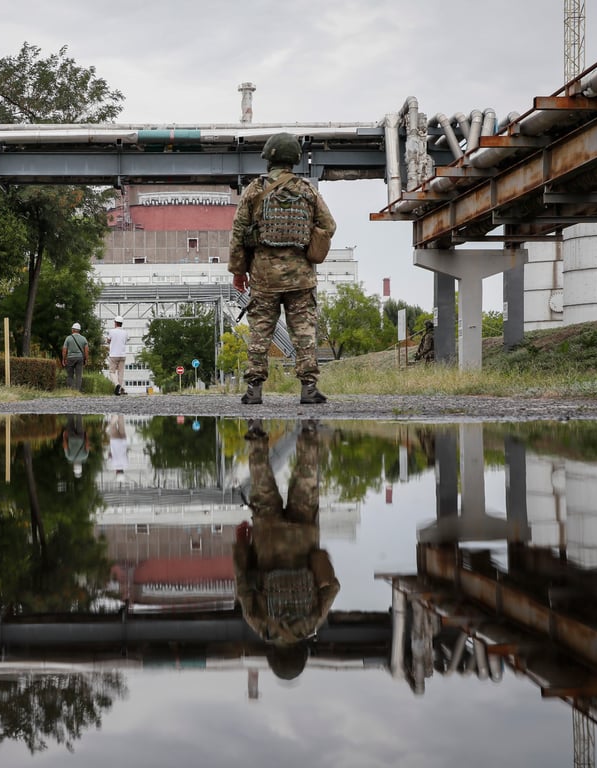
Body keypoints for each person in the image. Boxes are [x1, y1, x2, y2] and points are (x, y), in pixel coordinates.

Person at [229, 132, 337, 405]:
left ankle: (254, 390)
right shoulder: (307, 189)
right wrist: (309, 247)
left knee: (260, 332)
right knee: (303, 331)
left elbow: (238, 232)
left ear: (268, 158)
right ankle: (309, 388)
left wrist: (238, 271)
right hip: (301, 276)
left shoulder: (254, 190)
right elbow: (329, 225)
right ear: (295, 160)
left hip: (264, 276)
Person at [233, 418, 340, 680]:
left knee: (307, 481)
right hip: (268, 536)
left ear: (302, 652)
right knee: (262, 484)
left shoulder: (312, 622)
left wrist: (317, 562)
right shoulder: (261, 626)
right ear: (273, 656)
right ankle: (256, 432)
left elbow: (332, 587)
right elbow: (243, 583)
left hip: (304, 536)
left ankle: (309, 431)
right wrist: (242, 545)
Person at [61, 322, 90, 391]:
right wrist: (86, 359)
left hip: (70, 358)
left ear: (73, 330)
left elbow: (64, 350)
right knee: (79, 375)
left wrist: (64, 359)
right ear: (79, 330)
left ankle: (71, 390)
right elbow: (86, 350)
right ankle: (77, 390)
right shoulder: (83, 339)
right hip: (80, 358)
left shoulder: (68, 338)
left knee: (70, 375)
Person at [106, 316, 128, 396]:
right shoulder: (125, 332)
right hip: (122, 355)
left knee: (112, 371)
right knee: (121, 372)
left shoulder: (111, 331)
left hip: (114, 354)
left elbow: (108, 341)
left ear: (115, 323)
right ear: (121, 324)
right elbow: (126, 341)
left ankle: (117, 384)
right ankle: (121, 389)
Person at [63, 415, 89, 479]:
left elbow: (87, 445)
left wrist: (86, 436)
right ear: (74, 467)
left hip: (81, 438)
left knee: (79, 422)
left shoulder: (85, 456)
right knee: (70, 422)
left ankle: (79, 409)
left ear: (81, 466)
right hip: (71, 438)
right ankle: (70, 410)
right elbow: (65, 446)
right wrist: (64, 437)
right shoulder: (69, 457)